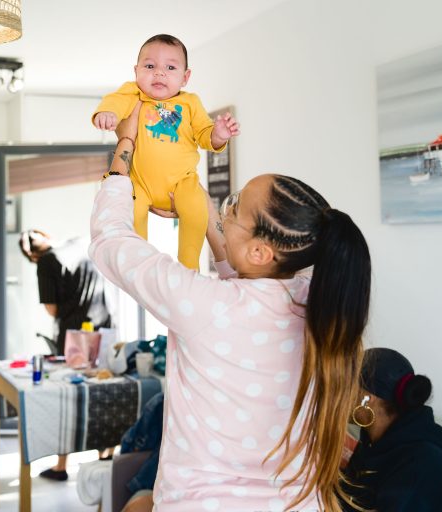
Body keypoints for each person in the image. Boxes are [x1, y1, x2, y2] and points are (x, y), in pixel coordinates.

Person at [88, 103, 372, 511]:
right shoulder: (320, 301)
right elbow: (245, 283)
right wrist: (190, 193)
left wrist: (125, 149)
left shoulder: (206, 305)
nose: (226, 208)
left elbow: (110, 240)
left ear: (259, 251)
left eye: (234, 206)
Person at [91, 33, 240, 271]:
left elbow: (204, 133)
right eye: (150, 66)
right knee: (134, 211)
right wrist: (108, 113)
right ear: (136, 71)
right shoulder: (133, 93)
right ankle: (139, 262)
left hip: (183, 183)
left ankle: (189, 265)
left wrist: (218, 134)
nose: (159, 73)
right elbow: (115, 101)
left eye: (170, 67)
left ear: (185, 77)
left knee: (195, 211)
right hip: (141, 184)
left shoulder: (190, 103)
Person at [19, 229, 116, 480]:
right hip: (104, 326)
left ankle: (61, 466)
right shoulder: (81, 241)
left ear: (31, 255)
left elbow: (51, 309)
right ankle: (105, 456)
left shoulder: (46, 262)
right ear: (46, 236)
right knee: (104, 391)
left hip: (75, 337)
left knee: (69, 396)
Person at [339, 348, 442, 512]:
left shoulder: (422, 462)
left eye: (345, 388)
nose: (337, 398)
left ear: (366, 399)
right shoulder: (372, 442)